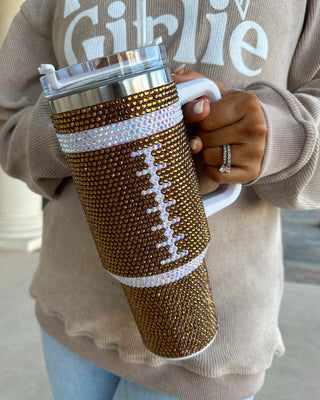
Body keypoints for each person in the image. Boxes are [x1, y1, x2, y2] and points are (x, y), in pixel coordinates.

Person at [0, 0, 319, 399]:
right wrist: (86, 133)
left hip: (212, 341)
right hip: (71, 315)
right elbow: (7, 122)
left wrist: (282, 137)